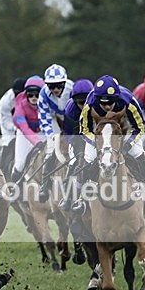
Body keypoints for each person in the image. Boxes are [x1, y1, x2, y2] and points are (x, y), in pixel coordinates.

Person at [74, 74, 145, 209]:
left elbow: (139, 127)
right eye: (103, 103)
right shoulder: (90, 103)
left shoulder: (128, 101)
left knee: (137, 152)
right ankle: (79, 198)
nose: (107, 106)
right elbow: (84, 129)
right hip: (100, 135)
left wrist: (129, 143)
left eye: (110, 102)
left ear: (117, 98)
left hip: (124, 130)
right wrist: (97, 143)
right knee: (88, 157)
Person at [36, 63, 74, 202]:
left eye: (59, 85)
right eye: (52, 86)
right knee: (52, 147)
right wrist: (52, 135)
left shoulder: (72, 89)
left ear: (64, 83)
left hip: (71, 116)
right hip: (53, 118)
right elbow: (44, 117)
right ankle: (45, 185)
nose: (56, 89)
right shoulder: (43, 95)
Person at [58, 78, 93, 211]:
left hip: (97, 135)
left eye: (86, 102)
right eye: (80, 103)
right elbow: (68, 133)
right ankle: (68, 197)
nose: (83, 106)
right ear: (74, 101)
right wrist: (78, 147)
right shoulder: (70, 110)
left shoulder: (98, 104)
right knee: (74, 163)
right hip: (77, 136)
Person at [10, 75, 46, 184]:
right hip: (24, 135)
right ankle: (14, 188)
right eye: (30, 94)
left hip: (43, 132)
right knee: (20, 164)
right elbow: (24, 128)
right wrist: (37, 142)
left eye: (37, 94)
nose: (34, 97)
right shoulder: (20, 106)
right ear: (26, 94)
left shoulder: (46, 104)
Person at [0, 77, 26, 146]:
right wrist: (17, 128)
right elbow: (6, 122)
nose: (18, 96)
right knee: (8, 142)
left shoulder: (31, 96)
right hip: (8, 124)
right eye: (16, 93)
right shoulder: (5, 102)